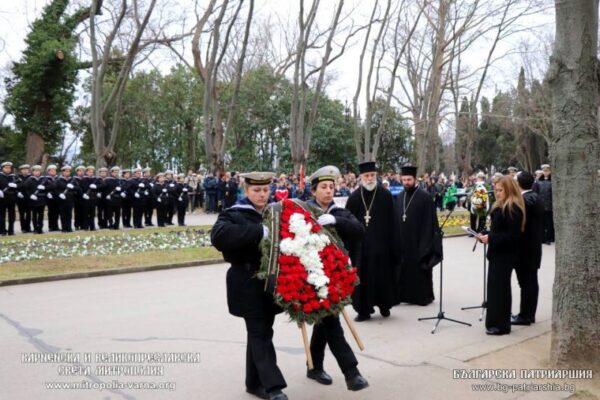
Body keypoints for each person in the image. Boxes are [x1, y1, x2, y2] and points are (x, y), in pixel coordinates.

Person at [210, 171, 288, 400]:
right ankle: (273, 386)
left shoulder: (274, 212)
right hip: (246, 282)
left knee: (262, 332)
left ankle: (253, 383)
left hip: (269, 283)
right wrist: (257, 231)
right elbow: (218, 237)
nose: (262, 194)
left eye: (265, 190)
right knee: (259, 332)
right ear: (246, 190)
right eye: (256, 190)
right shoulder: (233, 213)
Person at [306, 165, 369, 392]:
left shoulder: (339, 212)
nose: (328, 191)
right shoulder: (304, 212)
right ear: (314, 191)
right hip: (311, 277)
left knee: (324, 322)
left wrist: (335, 221)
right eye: (323, 187)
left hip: (336, 277)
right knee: (331, 323)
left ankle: (314, 366)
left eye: (331, 187)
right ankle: (352, 373)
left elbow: (359, 230)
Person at [346, 161, 396, 321]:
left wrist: (393, 245)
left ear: (376, 176)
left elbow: (393, 222)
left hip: (382, 247)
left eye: (372, 175)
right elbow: (348, 223)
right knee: (363, 279)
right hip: (361, 249)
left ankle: (384, 305)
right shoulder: (354, 198)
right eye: (366, 175)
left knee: (382, 277)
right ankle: (363, 311)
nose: (369, 178)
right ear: (361, 177)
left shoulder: (386, 195)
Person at [477, 176, 525, 335]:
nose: (497, 193)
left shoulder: (513, 209)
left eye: (500, 190)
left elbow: (512, 237)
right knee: (494, 290)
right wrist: (485, 234)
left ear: (509, 190)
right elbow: (498, 230)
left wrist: (491, 238)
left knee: (500, 290)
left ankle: (501, 325)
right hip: (496, 253)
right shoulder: (500, 206)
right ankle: (494, 322)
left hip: (505, 255)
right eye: (496, 190)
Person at [394, 165, 440, 306]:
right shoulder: (400, 197)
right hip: (403, 242)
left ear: (415, 179)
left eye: (409, 179)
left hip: (419, 242)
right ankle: (403, 296)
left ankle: (422, 297)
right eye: (404, 180)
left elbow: (430, 223)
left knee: (419, 271)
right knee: (403, 269)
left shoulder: (425, 197)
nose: (406, 182)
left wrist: (425, 245)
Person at [513, 171, 544, 326]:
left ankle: (525, 315)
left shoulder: (525, 200)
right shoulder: (535, 197)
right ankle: (529, 314)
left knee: (526, 283)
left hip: (524, 248)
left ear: (518, 184)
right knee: (531, 281)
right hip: (533, 246)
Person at [534, 164, 554, 244]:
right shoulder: (538, 182)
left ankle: (549, 238)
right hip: (541, 205)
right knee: (541, 223)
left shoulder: (553, 181)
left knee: (549, 223)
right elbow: (535, 193)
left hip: (550, 206)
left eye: (547, 170)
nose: (545, 172)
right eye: (544, 171)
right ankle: (542, 238)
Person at [55, 165, 78, 233]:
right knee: (63, 214)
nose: (67, 173)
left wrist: (73, 187)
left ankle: (69, 227)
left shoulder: (73, 180)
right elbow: (55, 189)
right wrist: (59, 194)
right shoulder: (58, 180)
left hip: (70, 199)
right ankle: (64, 228)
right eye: (66, 171)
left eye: (69, 171)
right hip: (62, 199)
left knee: (69, 214)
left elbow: (78, 188)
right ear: (63, 172)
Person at [0, 161, 19, 235]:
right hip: (2, 198)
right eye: (6, 168)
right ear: (2, 168)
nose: (8, 169)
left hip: (11, 198)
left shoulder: (13, 176)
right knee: (1, 215)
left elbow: (21, 185)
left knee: (12, 215)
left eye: (9, 168)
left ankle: (11, 230)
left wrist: (16, 186)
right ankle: (2, 230)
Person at [16, 164, 32, 233]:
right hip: (20, 198)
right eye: (23, 170)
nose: (25, 171)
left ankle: (28, 227)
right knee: (22, 214)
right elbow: (15, 187)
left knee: (28, 214)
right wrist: (18, 193)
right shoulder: (17, 177)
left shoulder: (31, 177)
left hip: (29, 198)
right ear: (21, 171)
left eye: (26, 169)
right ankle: (23, 228)